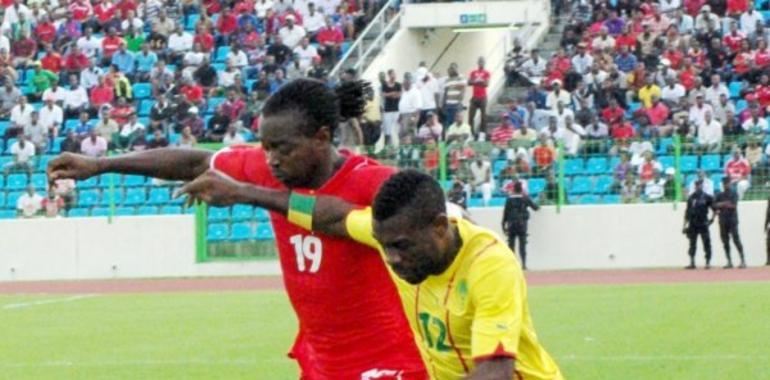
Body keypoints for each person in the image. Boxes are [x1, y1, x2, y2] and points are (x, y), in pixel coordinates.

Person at [48, 79, 427, 379]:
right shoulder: (268, 169)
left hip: (389, 360)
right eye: (265, 148)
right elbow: (195, 162)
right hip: (321, 360)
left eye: (283, 148)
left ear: (323, 138)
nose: (272, 160)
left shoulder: (374, 182)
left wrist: (246, 193)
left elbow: (335, 217)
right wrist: (102, 164)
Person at [175, 169, 563, 379]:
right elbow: (332, 216)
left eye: (400, 247)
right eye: (384, 246)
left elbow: (495, 372)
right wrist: (243, 193)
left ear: (440, 227)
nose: (391, 259)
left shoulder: (490, 266)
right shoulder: (394, 237)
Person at [502, 181, 540, 270]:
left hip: (511, 224)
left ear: (514, 189)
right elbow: (535, 207)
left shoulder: (509, 200)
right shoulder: (525, 198)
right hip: (522, 224)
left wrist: (503, 225)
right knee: (522, 245)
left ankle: (512, 264)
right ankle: (523, 264)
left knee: (511, 244)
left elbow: (505, 213)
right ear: (521, 189)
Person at [683, 179, 716, 270]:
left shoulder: (707, 197)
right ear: (695, 186)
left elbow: (715, 209)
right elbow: (687, 212)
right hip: (693, 223)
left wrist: (712, 220)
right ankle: (692, 262)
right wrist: (684, 225)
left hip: (703, 222)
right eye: (697, 185)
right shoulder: (691, 198)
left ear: (702, 186)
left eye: (700, 185)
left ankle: (708, 262)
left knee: (706, 243)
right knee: (692, 243)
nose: (698, 187)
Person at [714, 177, 746, 269]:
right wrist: (724, 204)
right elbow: (715, 205)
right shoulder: (720, 194)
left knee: (736, 239)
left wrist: (722, 204)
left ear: (730, 183)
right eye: (724, 183)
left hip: (732, 220)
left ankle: (742, 260)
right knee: (725, 241)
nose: (725, 185)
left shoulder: (733, 193)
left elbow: (733, 206)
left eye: (727, 183)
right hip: (723, 220)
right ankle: (729, 261)